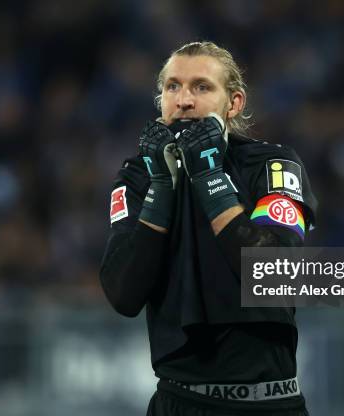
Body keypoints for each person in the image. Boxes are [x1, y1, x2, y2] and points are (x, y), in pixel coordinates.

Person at [100, 41, 317, 416]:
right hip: (178, 402)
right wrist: (161, 191)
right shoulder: (138, 178)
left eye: (201, 87)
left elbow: (275, 273)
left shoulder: (271, 166)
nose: (184, 100)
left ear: (233, 103)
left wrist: (209, 177)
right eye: (172, 87)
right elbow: (123, 295)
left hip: (269, 404)